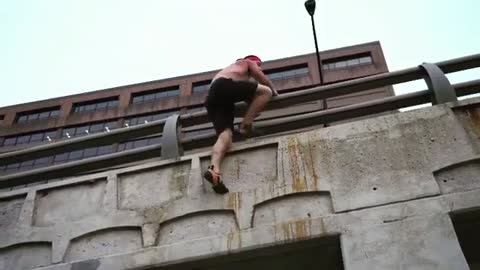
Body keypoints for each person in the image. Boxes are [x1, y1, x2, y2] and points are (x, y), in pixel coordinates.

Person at [203, 55, 278, 194]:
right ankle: (245, 125)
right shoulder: (247, 62)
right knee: (265, 92)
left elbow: (246, 94)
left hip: (213, 97)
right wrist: (273, 90)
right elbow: (260, 77)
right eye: (259, 64)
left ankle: (214, 170)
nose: (260, 67)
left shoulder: (233, 72)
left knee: (226, 135)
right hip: (223, 86)